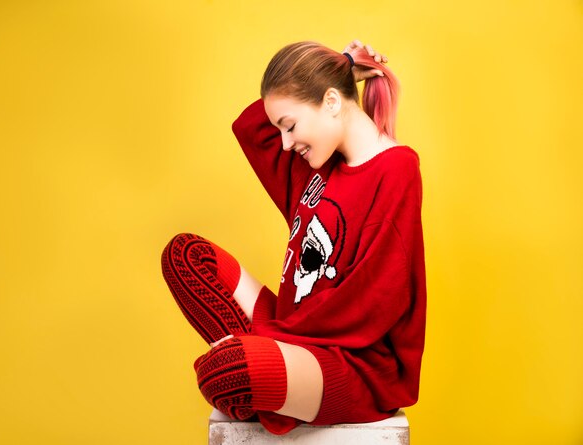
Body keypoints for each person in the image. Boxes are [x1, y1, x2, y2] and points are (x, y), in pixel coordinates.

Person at [161, 38, 427, 435]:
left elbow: (376, 301)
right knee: (183, 256)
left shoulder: (395, 170)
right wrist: (342, 64)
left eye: (290, 126)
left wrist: (271, 338)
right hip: (296, 333)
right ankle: (264, 378)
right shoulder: (315, 168)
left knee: (226, 370)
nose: (286, 143)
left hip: (353, 363)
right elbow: (250, 128)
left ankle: (257, 373)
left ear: (333, 103)